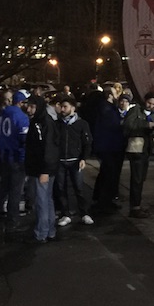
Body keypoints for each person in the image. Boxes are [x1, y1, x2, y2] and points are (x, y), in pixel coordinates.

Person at [0, 90, 29, 233]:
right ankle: (12, 221)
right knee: (15, 190)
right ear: (21, 102)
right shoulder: (21, 117)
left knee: (3, 188)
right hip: (17, 157)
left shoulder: (1, 114)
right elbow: (24, 140)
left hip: (3, 156)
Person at [23, 95, 59, 244]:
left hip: (42, 169)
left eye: (32, 107)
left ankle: (41, 233)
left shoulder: (42, 124)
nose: (29, 109)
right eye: (28, 106)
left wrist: (45, 170)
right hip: (43, 168)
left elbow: (49, 148)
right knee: (47, 200)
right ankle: (49, 231)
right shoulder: (41, 122)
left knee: (41, 201)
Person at [54, 94, 94, 227]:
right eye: (61, 106)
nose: (62, 109)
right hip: (60, 160)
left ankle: (84, 213)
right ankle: (65, 214)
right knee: (61, 188)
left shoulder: (81, 124)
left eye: (65, 107)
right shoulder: (57, 124)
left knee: (79, 187)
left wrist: (83, 158)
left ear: (73, 108)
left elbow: (87, 142)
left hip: (75, 160)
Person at [119, 94, 154, 218]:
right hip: (136, 149)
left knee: (141, 178)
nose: (151, 106)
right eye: (149, 103)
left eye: (153, 104)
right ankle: (135, 207)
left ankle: (137, 205)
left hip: (145, 149)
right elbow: (128, 125)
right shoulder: (136, 110)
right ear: (145, 101)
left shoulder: (151, 114)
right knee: (137, 178)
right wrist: (145, 125)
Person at [91, 86, 125, 213]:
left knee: (106, 172)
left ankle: (101, 198)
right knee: (109, 173)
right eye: (115, 93)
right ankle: (104, 201)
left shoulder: (106, 108)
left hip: (108, 145)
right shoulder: (107, 109)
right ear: (110, 95)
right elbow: (113, 125)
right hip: (109, 146)